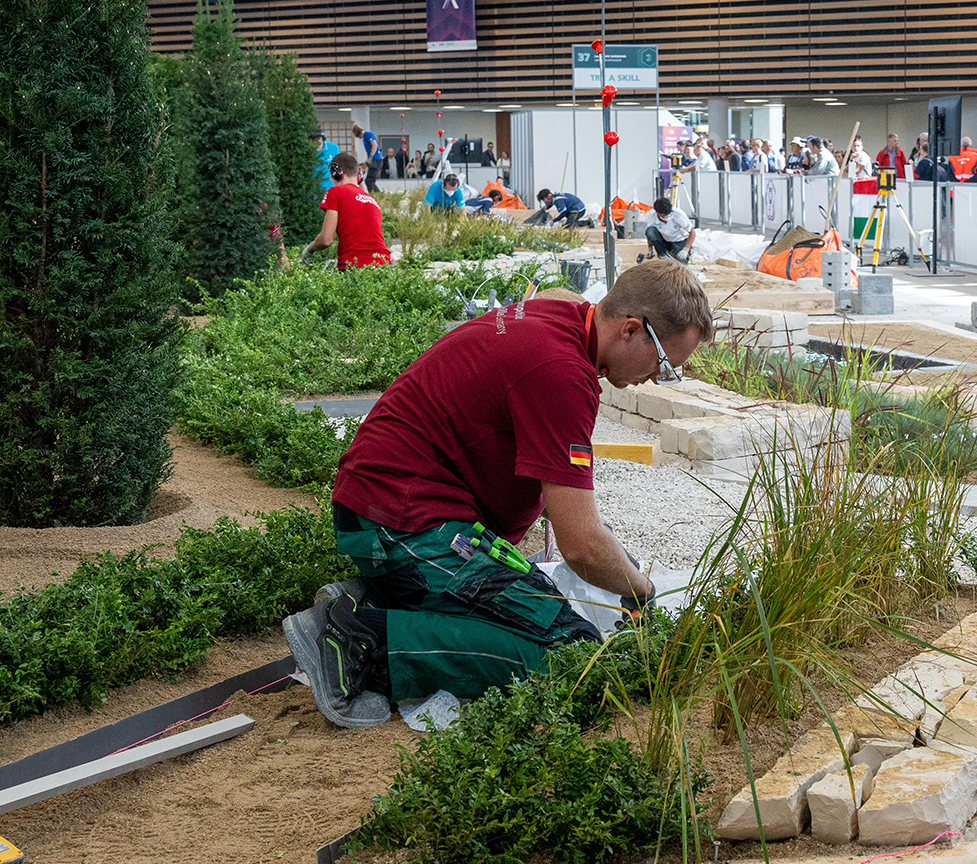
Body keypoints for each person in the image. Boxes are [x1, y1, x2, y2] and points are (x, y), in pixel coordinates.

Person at [285, 260, 715, 728]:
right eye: (666, 363)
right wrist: (644, 591)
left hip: (400, 511)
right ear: (631, 329)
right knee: (572, 655)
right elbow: (582, 546)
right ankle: (360, 642)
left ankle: (381, 602)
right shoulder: (562, 373)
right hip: (402, 522)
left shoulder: (560, 319)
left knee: (541, 607)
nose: (657, 377)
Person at [303, 152, 391, 269]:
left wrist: (310, 249)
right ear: (358, 175)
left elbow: (326, 239)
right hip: (383, 265)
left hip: (353, 266)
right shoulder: (372, 201)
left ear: (337, 173)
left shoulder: (336, 192)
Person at [645, 196, 696, 261]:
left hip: (678, 241)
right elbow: (649, 235)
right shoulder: (651, 219)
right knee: (650, 231)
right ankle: (663, 256)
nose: (667, 216)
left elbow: (692, 232)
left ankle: (677, 254)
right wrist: (650, 249)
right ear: (657, 212)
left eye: (668, 213)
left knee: (680, 264)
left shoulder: (678, 215)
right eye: (664, 215)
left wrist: (686, 249)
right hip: (664, 241)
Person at [353, 124, 381, 193]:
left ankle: (378, 196)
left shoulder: (367, 134)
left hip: (376, 160)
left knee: (369, 181)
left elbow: (374, 144)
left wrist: (370, 158)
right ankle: (375, 195)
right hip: (374, 160)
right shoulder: (365, 137)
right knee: (369, 181)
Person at [314, 130, 342, 195]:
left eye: (318, 139)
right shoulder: (308, 150)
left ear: (322, 138)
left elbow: (339, 166)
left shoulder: (333, 147)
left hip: (330, 186)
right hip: (314, 187)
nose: (316, 141)